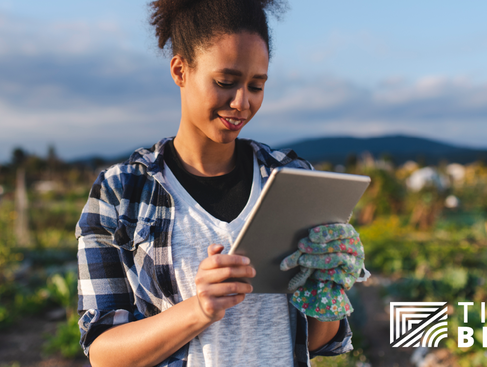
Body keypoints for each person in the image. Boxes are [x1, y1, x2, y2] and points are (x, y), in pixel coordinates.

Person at [76, 0, 355, 366]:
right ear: (180, 69)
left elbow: (320, 341)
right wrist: (199, 309)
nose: (241, 102)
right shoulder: (121, 193)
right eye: (226, 82)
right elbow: (103, 354)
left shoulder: (291, 178)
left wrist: (327, 286)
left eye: (256, 86)